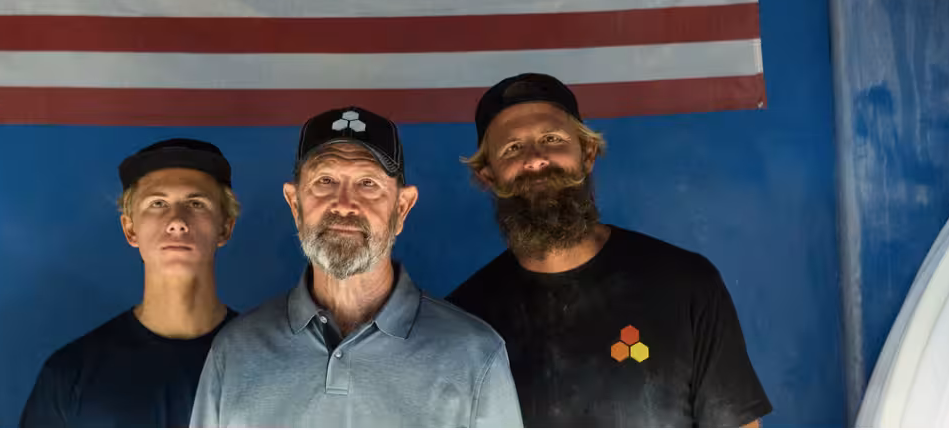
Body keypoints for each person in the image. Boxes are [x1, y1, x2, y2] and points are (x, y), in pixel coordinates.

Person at [446, 73, 773, 428]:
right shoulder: (461, 324)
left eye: (552, 139)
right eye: (512, 148)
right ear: (488, 176)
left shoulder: (685, 285)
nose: (536, 160)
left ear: (587, 154)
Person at [189, 106, 523, 428]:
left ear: (402, 208)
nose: (345, 204)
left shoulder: (474, 356)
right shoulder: (233, 353)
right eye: (325, 181)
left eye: (368, 183)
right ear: (295, 204)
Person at [19, 139, 242, 427]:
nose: (177, 221)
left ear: (225, 227)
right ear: (130, 229)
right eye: (157, 203)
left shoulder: (268, 361)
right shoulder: (70, 374)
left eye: (196, 203)